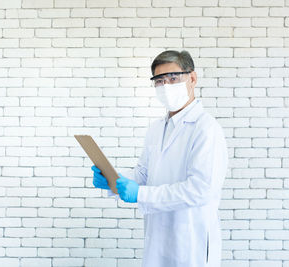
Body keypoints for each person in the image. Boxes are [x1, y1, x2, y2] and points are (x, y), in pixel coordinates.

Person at [91, 50, 228, 267]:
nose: (166, 87)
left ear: (192, 78)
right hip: (158, 240)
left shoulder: (206, 129)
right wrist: (112, 180)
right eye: (160, 81)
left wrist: (140, 194)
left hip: (192, 243)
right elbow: (144, 174)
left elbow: (200, 190)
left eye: (173, 78)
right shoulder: (156, 129)